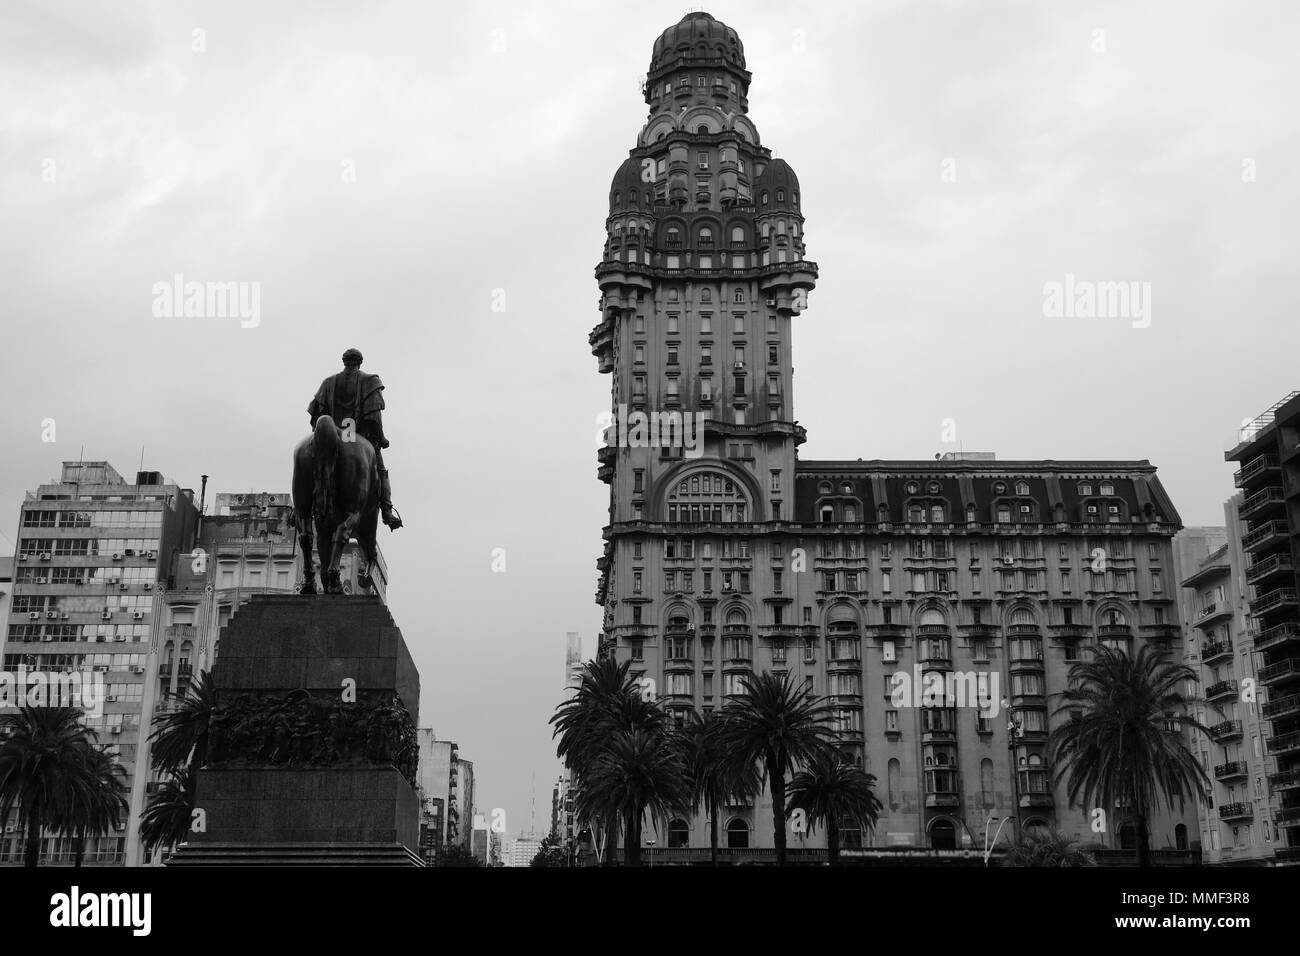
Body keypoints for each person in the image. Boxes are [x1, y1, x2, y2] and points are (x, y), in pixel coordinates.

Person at [307, 348, 402, 529]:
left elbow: (317, 415)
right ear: (360, 362)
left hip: (332, 437)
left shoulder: (328, 383)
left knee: (312, 465)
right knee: (381, 472)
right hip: (358, 436)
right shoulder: (370, 381)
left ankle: (300, 510)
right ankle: (387, 513)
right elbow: (375, 417)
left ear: (344, 361)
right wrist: (381, 438)